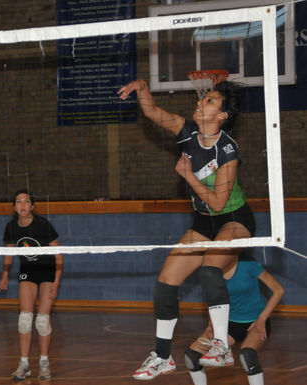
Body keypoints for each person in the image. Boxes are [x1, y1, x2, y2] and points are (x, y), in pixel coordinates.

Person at [117, 79, 256, 380]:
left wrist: (188, 176)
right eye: (204, 98)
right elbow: (153, 112)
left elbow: (218, 203)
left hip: (234, 220)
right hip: (203, 222)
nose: (200, 102)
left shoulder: (227, 150)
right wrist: (142, 88)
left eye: (210, 101)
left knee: (210, 269)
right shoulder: (187, 132)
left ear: (222, 115)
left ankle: (222, 346)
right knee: (166, 282)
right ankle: (162, 356)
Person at [185, 253, 284, 385]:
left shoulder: (249, 265)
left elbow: (278, 290)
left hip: (255, 322)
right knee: (191, 356)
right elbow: (213, 300)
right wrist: (211, 324)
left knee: (247, 355)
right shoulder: (213, 272)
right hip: (228, 324)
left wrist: (262, 319)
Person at [0, 189, 63, 380]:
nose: (22, 205)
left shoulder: (43, 225)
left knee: (42, 321)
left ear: (32, 206)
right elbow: (9, 254)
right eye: (18, 202)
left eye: (26, 201)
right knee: (24, 319)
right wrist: (4, 275)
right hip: (28, 273)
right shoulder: (11, 227)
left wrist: (56, 282)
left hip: (47, 272)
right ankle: (24, 364)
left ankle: (44, 362)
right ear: (14, 207)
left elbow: (59, 255)